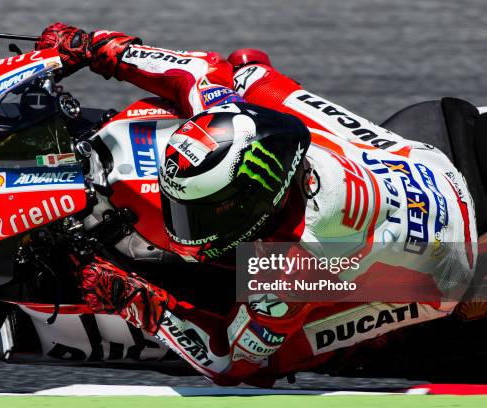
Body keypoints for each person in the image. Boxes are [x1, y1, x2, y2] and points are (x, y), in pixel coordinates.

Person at [35, 22, 478, 386]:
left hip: (440, 273)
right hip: (421, 168)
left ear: (256, 207)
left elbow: (230, 362)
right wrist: (98, 48)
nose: (184, 226)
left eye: (203, 213)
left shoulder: (291, 265)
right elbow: (199, 72)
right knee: (249, 75)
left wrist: (138, 302)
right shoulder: (252, 128)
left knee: (279, 353)